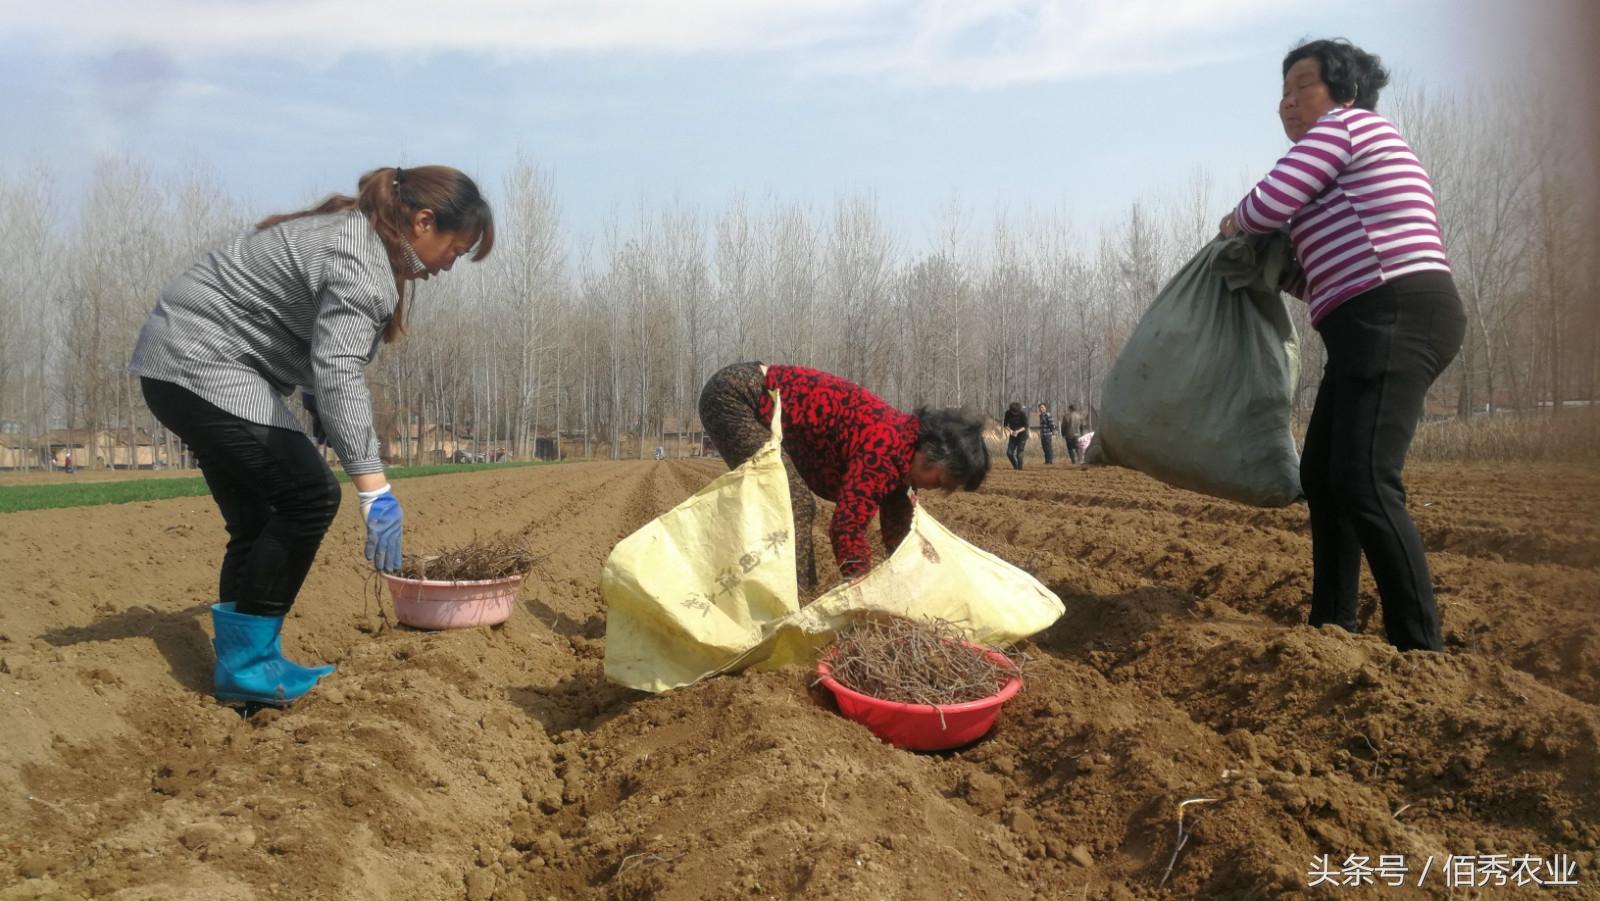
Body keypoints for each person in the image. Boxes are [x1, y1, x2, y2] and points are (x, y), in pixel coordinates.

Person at [130, 165, 495, 703]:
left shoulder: (357, 234)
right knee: (308, 495)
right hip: (201, 363)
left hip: (180, 365)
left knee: (257, 518)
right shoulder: (362, 264)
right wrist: (374, 491)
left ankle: (244, 671)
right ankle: (250, 665)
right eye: (457, 250)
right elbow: (337, 372)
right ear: (423, 222)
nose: (449, 266)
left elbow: (302, 339)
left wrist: (323, 421)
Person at [1220, 39, 1464, 652]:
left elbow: (1266, 204)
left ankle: (1422, 647)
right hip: (1366, 320)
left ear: (1344, 91)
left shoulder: (1346, 128)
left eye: (1302, 85)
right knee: (1324, 475)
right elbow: (1321, 279)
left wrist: (1235, 223)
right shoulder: (1330, 174)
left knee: (1365, 478)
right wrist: (1275, 273)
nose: (1288, 102)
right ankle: (1334, 624)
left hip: (1397, 309)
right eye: (1282, 92)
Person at [698, 363, 989, 589]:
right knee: (795, 502)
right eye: (939, 482)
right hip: (737, 398)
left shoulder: (902, 457)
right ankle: (796, 602)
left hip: (749, 395)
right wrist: (860, 584)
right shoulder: (885, 447)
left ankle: (772, 589)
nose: (933, 488)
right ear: (929, 454)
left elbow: (898, 535)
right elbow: (845, 528)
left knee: (788, 500)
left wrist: (916, 579)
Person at [1003, 402, 1028, 470]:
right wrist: (1010, 431)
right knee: (1009, 453)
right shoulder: (1007, 413)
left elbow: (1025, 426)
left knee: (1019, 454)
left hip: (1022, 435)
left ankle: (1020, 469)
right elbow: (1005, 425)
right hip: (1013, 435)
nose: (1014, 414)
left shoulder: (1022, 414)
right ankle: (1015, 466)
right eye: (1013, 412)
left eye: (1016, 412)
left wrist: (1017, 431)